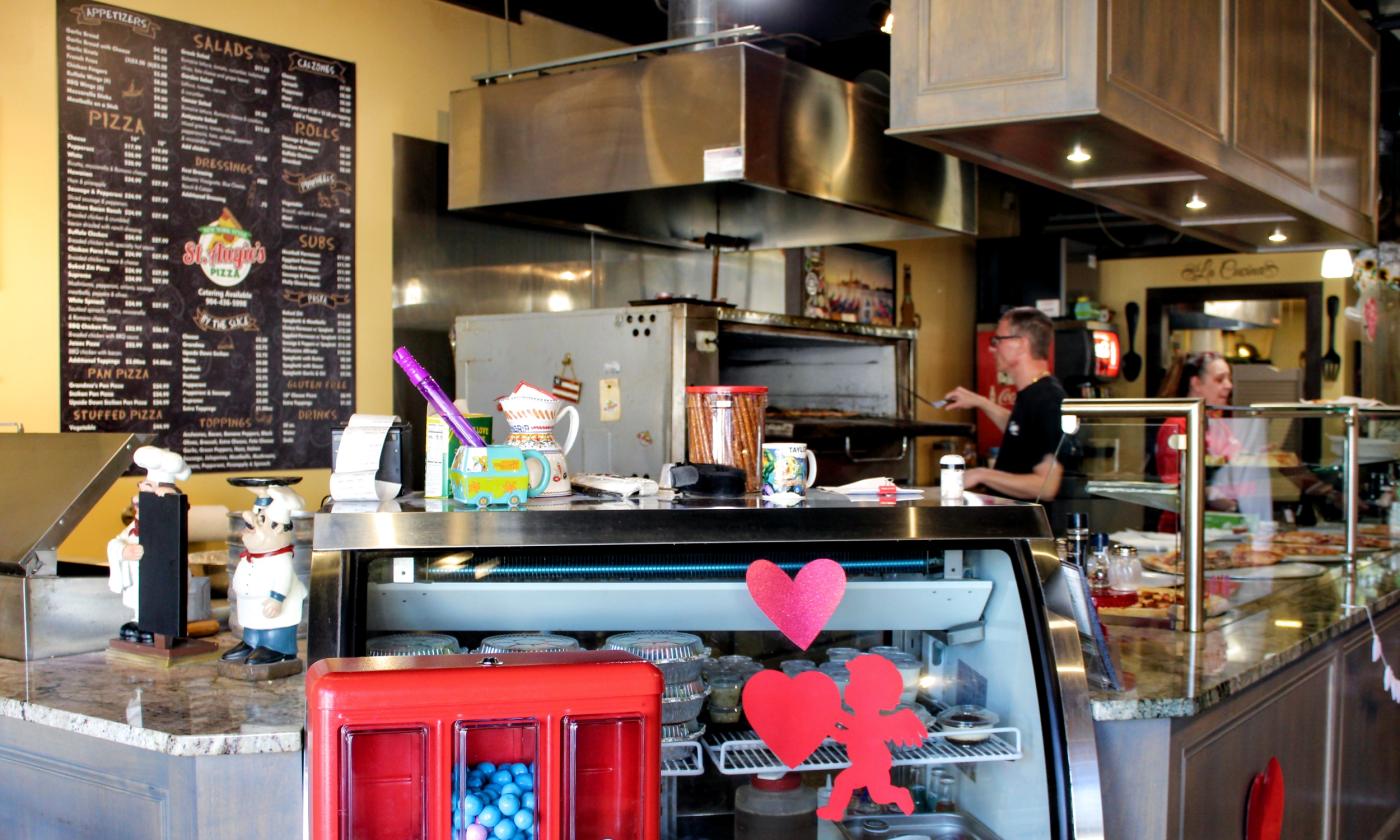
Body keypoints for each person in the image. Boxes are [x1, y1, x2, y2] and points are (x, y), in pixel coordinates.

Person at [944, 307, 1067, 499]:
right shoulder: (1032, 393)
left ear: (1021, 344)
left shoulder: (1049, 400)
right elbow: (1019, 431)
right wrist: (981, 402)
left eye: (997, 340)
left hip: (1030, 526)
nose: (992, 348)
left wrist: (982, 475)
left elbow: (1047, 485)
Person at [107, 446, 190, 644]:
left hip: (161, 581)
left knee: (160, 597)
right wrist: (123, 550)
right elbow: (115, 542)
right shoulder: (135, 527)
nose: (138, 500)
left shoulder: (169, 527)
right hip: (139, 577)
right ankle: (139, 620)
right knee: (139, 596)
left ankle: (161, 628)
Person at [221, 484, 306, 666]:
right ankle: (252, 643)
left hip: (274, 606)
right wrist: (262, 495)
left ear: (277, 529)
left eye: (259, 523)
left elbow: (284, 578)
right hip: (252, 605)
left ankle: (278, 648)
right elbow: (259, 514)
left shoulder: (280, 559)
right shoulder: (253, 555)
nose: (250, 527)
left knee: (275, 626)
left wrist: (276, 599)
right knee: (253, 624)